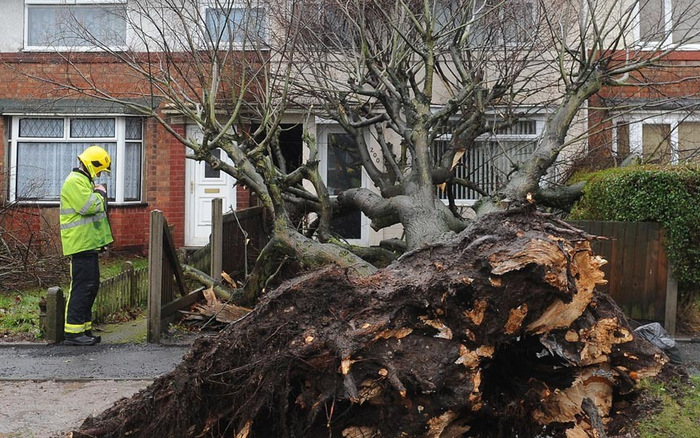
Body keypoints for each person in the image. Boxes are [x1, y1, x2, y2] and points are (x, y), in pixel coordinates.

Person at [59, 146, 114, 346]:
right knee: (82, 288)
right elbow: (88, 207)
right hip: (79, 245)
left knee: (90, 287)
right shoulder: (75, 182)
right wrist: (100, 193)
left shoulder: (84, 181)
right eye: (99, 170)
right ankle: (73, 333)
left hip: (88, 244)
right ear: (92, 165)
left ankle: (83, 330)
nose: (100, 175)